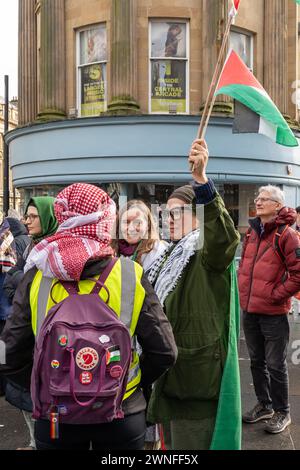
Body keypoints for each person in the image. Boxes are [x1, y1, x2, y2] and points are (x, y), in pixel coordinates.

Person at [0, 183, 177, 450]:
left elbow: (8, 353)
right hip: (122, 412)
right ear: (106, 221)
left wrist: (46, 383)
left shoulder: (37, 276)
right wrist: (126, 383)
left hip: (56, 415)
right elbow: (166, 352)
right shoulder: (130, 274)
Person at [147, 139, 241, 450]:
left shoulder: (205, 250)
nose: (168, 220)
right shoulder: (171, 254)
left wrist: (202, 182)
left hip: (196, 378)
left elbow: (225, 237)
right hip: (172, 375)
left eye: (178, 213)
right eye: (166, 213)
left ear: (199, 214)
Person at [239, 185, 300, 434]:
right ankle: (265, 405)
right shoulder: (253, 233)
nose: (259, 202)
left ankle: (283, 411)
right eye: (258, 198)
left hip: (273, 312)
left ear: (277, 205)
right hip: (250, 309)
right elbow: (246, 264)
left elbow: (298, 274)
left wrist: (275, 295)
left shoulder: (287, 235)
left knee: (275, 364)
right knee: (256, 361)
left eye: (264, 199)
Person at [112, 199, 169, 449]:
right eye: (126, 221)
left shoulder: (160, 253)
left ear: (148, 225)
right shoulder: (109, 252)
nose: (132, 227)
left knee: (148, 393)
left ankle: (151, 445)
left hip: (148, 336)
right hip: (117, 338)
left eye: (139, 221)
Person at [3, 197, 58, 451]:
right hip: (26, 329)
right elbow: (14, 284)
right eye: (26, 216)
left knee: (46, 403)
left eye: (33, 216)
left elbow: (19, 282)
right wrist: (17, 279)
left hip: (45, 335)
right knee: (28, 398)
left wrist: (16, 278)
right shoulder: (32, 248)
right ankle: (36, 442)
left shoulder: (54, 251)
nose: (27, 221)